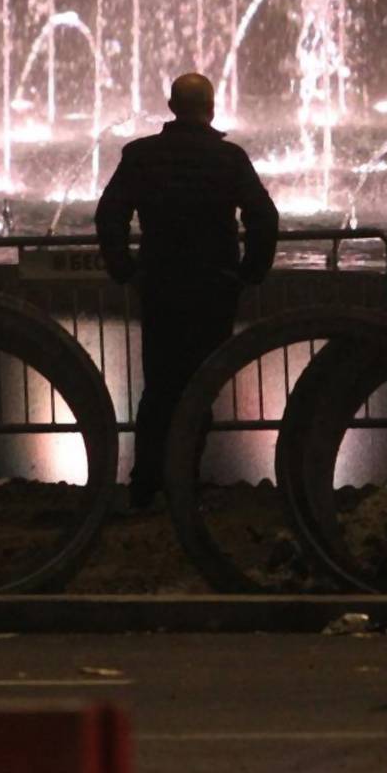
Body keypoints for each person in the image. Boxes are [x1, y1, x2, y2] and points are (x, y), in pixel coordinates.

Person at [95, 73, 279, 509]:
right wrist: (250, 272)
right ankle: (185, 483)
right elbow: (263, 218)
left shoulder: (141, 156)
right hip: (215, 288)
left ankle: (144, 483)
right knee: (201, 387)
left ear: (172, 106)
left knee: (158, 387)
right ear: (210, 106)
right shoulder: (228, 158)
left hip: (160, 286)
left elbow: (109, 215)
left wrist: (126, 269)